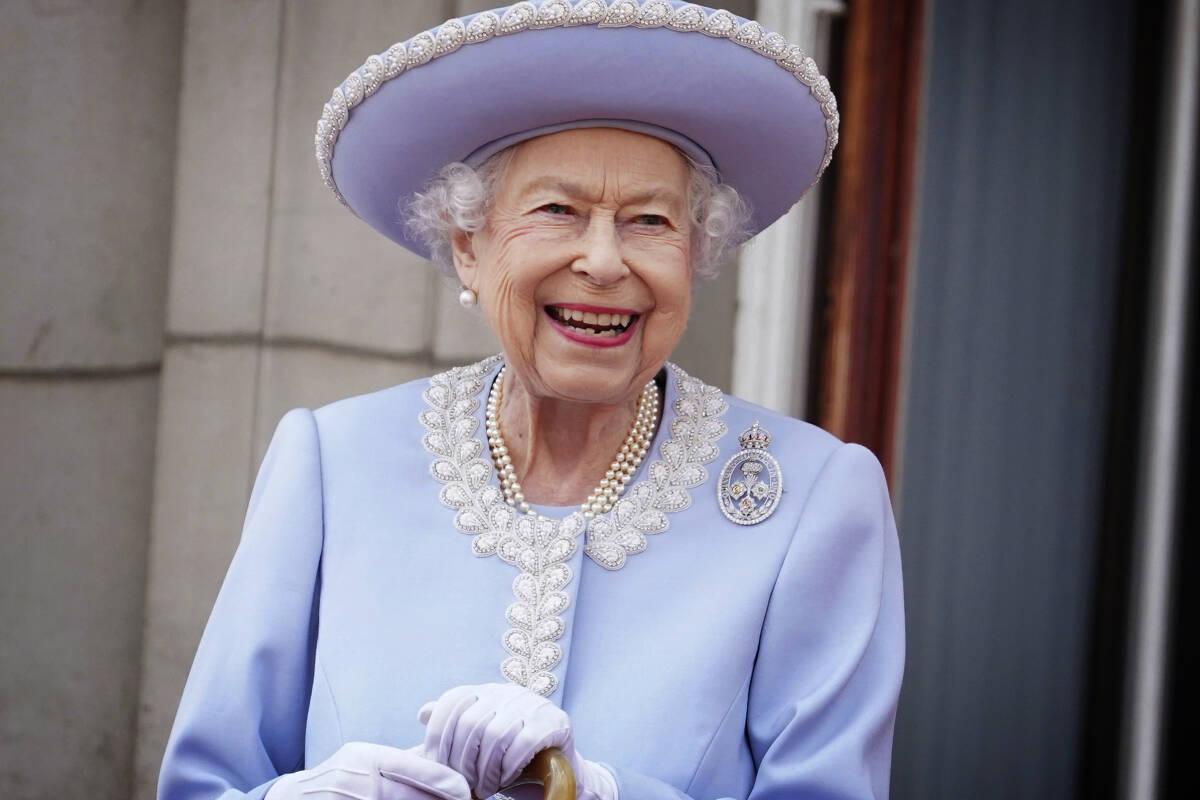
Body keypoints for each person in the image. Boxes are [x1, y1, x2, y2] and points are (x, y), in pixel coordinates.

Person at [158, 2, 904, 799]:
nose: (604, 260)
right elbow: (205, 784)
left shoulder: (815, 500)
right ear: (469, 246)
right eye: (558, 211)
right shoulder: (332, 464)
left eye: (650, 221)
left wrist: (604, 794)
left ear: (695, 254)